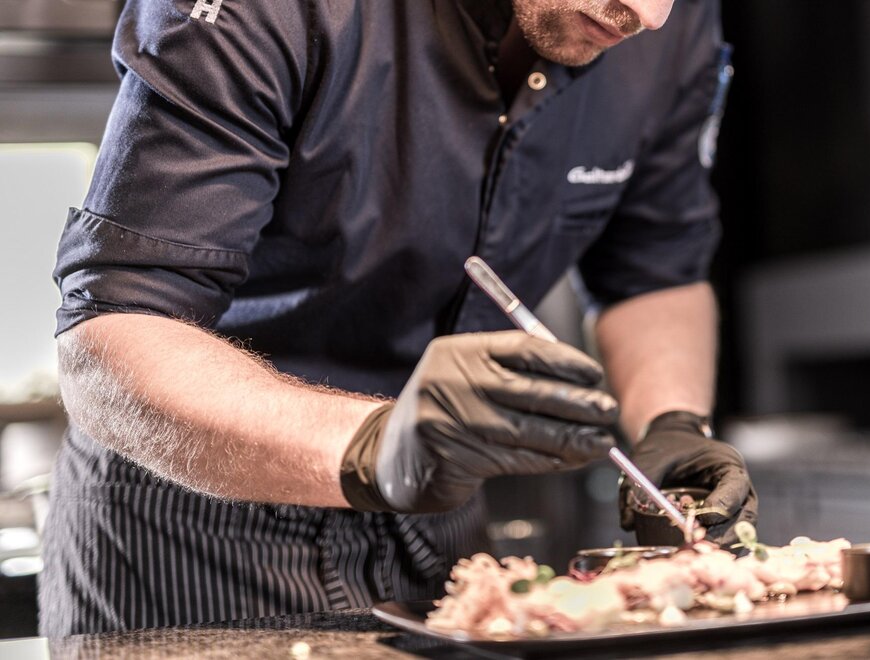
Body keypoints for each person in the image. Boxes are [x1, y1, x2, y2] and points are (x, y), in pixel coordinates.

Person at [42, 0, 757, 636]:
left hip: (436, 515)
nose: (649, 15)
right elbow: (110, 335)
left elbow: (654, 271)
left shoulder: (669, 25)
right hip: (191, 516)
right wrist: (374, 449)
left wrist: (672, 425)